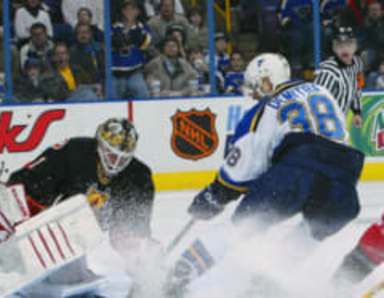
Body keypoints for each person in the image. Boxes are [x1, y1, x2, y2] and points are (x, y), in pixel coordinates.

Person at [166, 53, 364, 296]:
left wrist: (213, 196)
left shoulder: (267, 107)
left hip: (298, 171)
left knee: (239, 230)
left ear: (267, 81)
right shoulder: (320, 92)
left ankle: (176, 279)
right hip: (344, 183)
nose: (253, 93)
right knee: (311, 232)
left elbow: (243, 166)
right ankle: (264, 289)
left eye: (255, 86)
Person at [0, 118, 156, 296]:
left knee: (75, 278)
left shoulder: (138, 177)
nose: (115, 163)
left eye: (122, 158)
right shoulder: (74, 151)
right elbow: (25, 181)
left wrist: (142, 263)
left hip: (76, 243)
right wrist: (12, 217)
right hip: (44, 229)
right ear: (99, 145)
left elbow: (131, 232)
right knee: (23, 253)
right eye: (111, 154)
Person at [314, 27, 365, 128]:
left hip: (340, 122)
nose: (345, 49)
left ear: (355, 47)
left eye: (349, 45)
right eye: (340, 45)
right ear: (334, 48)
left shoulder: (358, 64)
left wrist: (356, 112)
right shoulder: (328, 70)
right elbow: (316, 99)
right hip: (323, 125)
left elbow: (358, 88)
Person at [111, 0, 152, 99]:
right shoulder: (114, 27)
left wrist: (138, 38)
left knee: (143, 96)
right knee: (113, 100)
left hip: (134, 71)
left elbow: (145, 44)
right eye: (126, 8)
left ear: (138, 11)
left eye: (133, 8)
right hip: (115, 71)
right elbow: (108, 45)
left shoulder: (143, 28)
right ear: (122, 11)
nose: (129, 11)